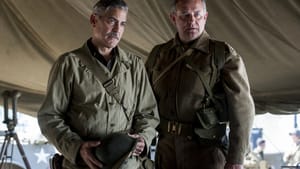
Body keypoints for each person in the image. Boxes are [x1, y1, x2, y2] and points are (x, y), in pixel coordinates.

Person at [37, 0, 159, 169]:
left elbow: (148, 113)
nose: (117, 30)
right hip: (84, 164)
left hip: (126, 163)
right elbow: (49, 116)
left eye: (122, 24)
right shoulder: (68, 64)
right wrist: (77, 148)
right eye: (111, 21)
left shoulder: (134, 66)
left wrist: (143, 138)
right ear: (94, 20)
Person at [145, 0, 255, 168]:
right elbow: (143, 102)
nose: (192, 21)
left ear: (205, 16)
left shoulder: (221, 54)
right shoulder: (159, 54)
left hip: (206, 153)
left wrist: (236, 158)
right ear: (174, 18)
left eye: (197, 14)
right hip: (166, 152)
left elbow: (242, 108)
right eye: (185, 15)